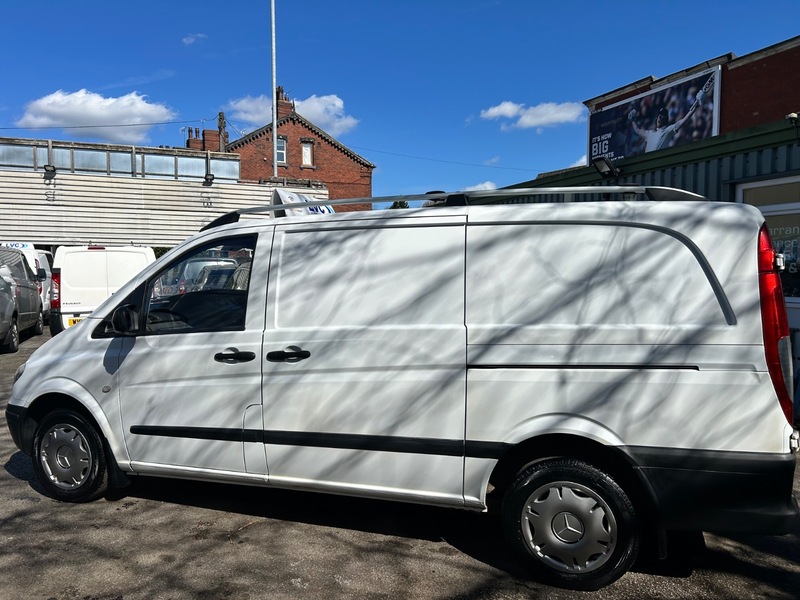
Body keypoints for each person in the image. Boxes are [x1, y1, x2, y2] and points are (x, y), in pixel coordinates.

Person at [628, 88, 706, 152]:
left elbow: (684, 120)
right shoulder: (649, 134)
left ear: (666, 119)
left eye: (662, 116)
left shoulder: (667, 131)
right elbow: (638, 130)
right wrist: (632, 120)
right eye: (658, 115)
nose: (659, 117)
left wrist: (697, 104)